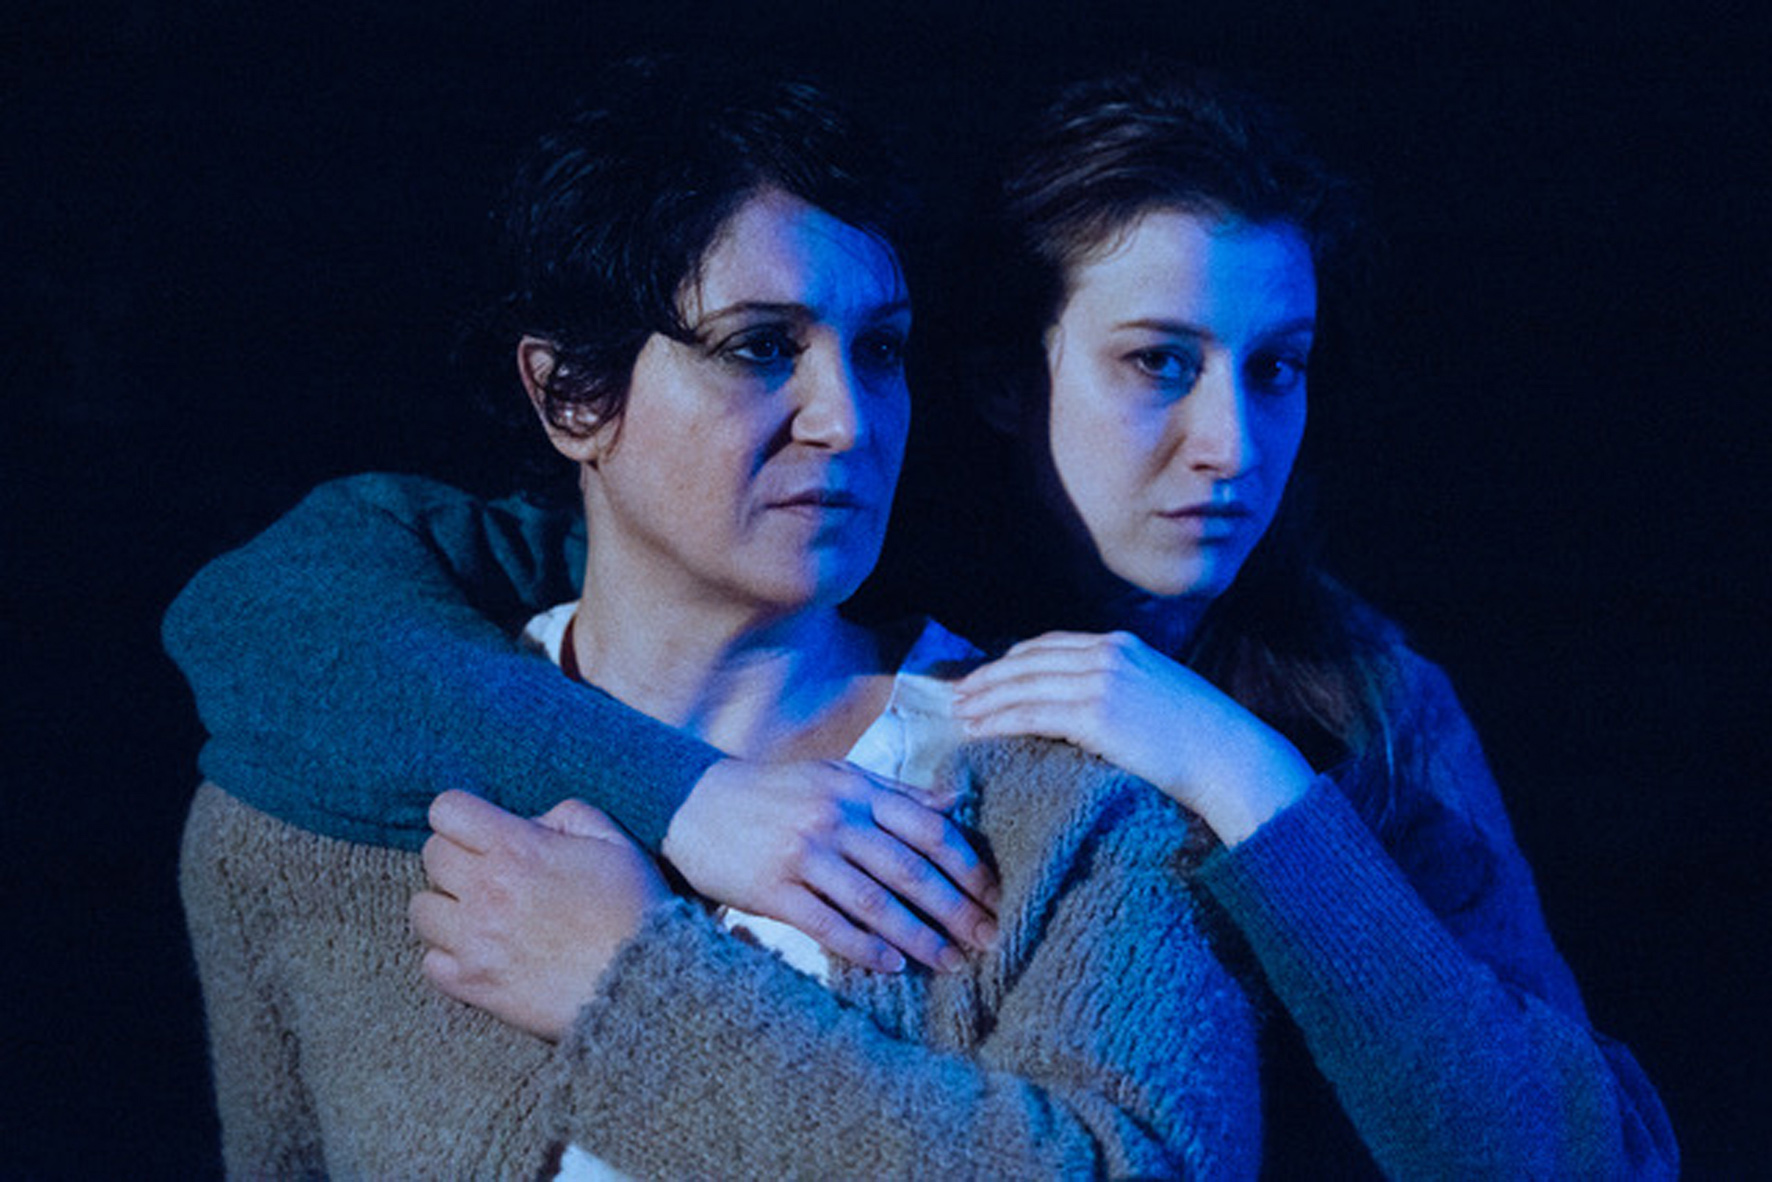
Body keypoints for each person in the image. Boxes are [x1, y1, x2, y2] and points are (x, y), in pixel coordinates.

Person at [167, 69, 1679, 1176]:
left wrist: (1249, 774)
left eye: (1278, 368)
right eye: (1158, 362)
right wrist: (693, 795)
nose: (1233, 447)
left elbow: (1577, 1164)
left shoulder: (1336, 707)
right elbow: (270, 614)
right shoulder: (810, 542)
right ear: (999, 376)